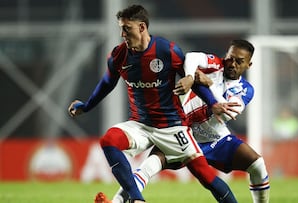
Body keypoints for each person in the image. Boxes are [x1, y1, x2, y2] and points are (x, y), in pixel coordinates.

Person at [68, 4, 239, 203]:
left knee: (206, 177)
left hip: (172, 127)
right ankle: (137, 199)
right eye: (121, 28)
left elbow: (194, 81)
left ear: (142, 27)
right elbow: (107, 83)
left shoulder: (168, 50)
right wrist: (86, 106)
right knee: (109, 141)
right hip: (140, 124)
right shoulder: (118, 55)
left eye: (126, 28)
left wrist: (212, 103)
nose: (122, 34)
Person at [111, 40, 271, 203]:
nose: (232, 64)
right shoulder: (215, 65)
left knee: (257, 163)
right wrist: (189, 76)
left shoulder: (245, 89)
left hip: (216, 139)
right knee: (149, 166)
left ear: (248, 65)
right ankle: (116, 201)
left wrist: (209, 85)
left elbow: (226, 114)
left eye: (239, 61)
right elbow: (192, 57)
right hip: (182, 134)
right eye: (230, 58)